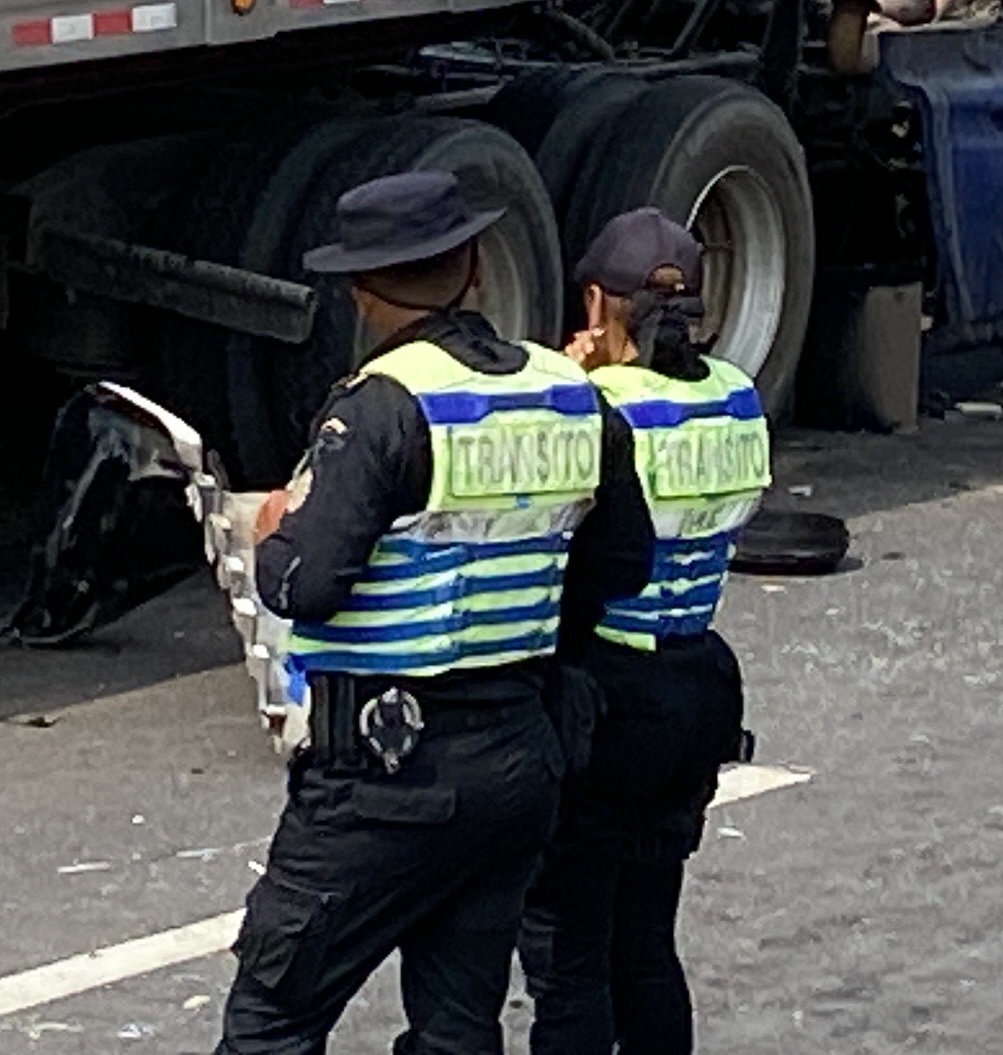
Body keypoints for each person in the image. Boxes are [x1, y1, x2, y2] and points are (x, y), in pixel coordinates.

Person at [215, 171, 651, 1055]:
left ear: (361, 292)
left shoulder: (381, 406)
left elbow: (303, 585)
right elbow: (622, 565)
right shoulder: (571, 393)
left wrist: (275, 529)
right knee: (459, 1028)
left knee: (270, 1024)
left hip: (383, 782)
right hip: (520, 763)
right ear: (477, 268)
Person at [518, 209, 768, 1055]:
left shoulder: (595, 405)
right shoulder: (737, 395)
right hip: (698, 679)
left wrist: (565, 366)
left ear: (597, 303)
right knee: (648, 944)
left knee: (570, 957)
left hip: (609, 693)